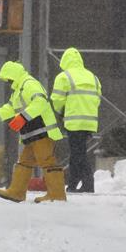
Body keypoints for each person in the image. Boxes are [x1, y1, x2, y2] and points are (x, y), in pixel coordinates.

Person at [0, 60, 66, 203]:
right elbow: (10, 108)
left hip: (42, 132)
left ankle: (57, 195)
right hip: (31, 134)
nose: (8, 81)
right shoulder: (18, 91)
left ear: (13, 75)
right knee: (24, 162)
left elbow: (40, 102)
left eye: (8, 78)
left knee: (47, 161)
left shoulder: (29, 84)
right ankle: (17, 192)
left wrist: (22, 117)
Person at [50, 47, 101, 193]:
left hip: (73, 121)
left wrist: (61, 113)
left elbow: (57, 100)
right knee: (78, 152)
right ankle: (74, 184)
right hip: (90, 121)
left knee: (78, 153)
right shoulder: (93, 77)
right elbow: (97, 99)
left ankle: (87, 183)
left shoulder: (64, 77)